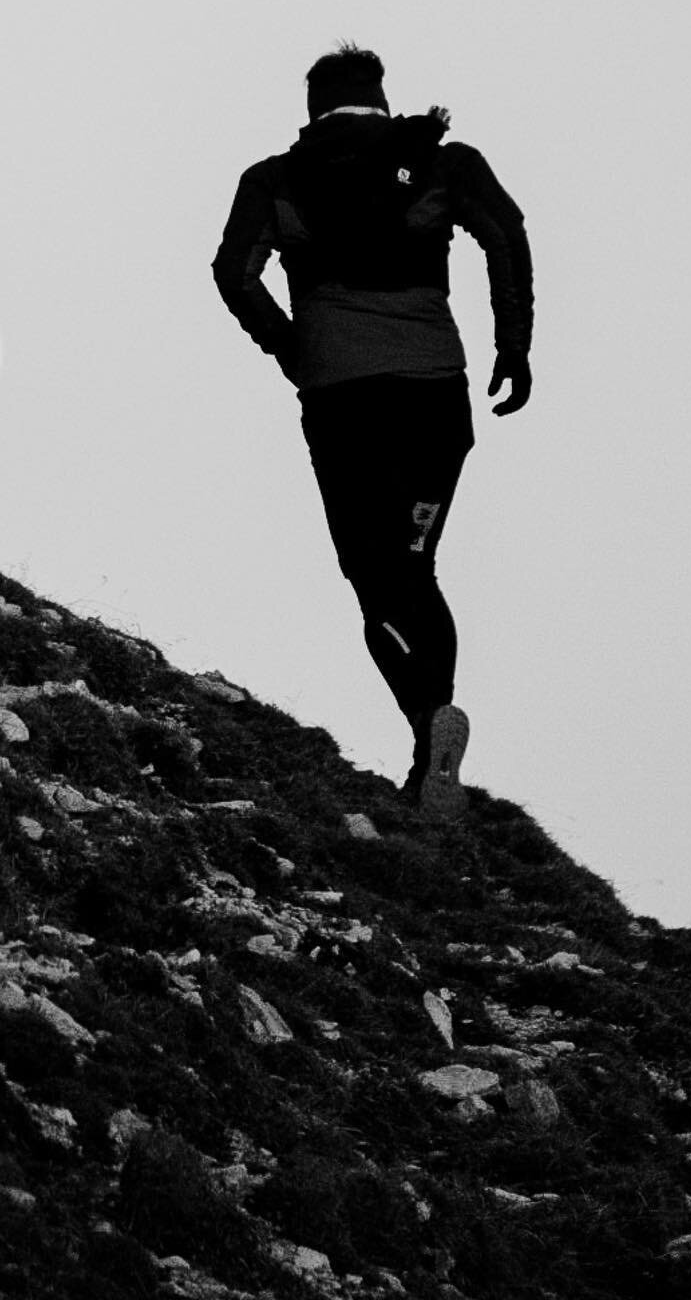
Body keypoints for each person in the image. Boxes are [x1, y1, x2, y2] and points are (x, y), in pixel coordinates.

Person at [211, 43, 533, 816]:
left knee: (377, 585)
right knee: (415, 566)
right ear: (381, 98)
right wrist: (513, 346)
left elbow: (233, 270)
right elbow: (507, 235)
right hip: (434, 398)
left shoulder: (276, 179)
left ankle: (431, 732)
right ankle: (434, 753)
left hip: (343, 403)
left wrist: (290, 345)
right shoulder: (440, 159)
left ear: (314, 105)